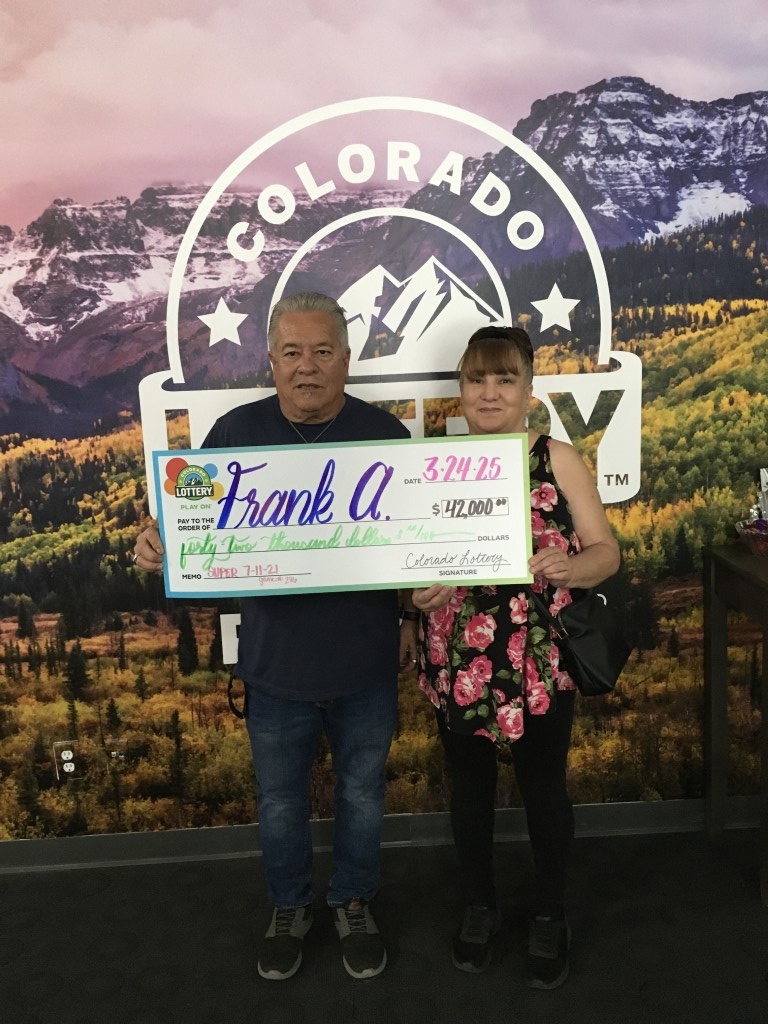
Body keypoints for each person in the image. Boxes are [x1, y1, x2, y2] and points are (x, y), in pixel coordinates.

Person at [133, 292, 419, 982]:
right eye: (292, 352)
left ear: (346, 361)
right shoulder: (232, 435)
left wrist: (415, 611)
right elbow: (191, 532)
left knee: (361, 796)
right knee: (281, 803)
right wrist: (158, 543)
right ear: (271, 360)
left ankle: (352, 900)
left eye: (323, 352)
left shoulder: (387, 439)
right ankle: (288, 908)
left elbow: (416, 549)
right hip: (273, 667)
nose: (307, 367)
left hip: (366, 663)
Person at [411, 326, 620, 989]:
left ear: (530, 390)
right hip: (457, 651)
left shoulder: (555, 457)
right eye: (478, 379)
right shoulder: (431, 463)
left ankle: (550, 914)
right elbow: (400, 561)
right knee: (468, 788)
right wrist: (413, 593)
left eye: (505, 379)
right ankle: (478, 906)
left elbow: (606, 551)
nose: (491, 392)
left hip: (537, 654)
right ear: (461, 390)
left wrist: (571, 566)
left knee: (542, 788)